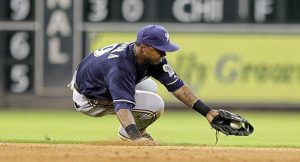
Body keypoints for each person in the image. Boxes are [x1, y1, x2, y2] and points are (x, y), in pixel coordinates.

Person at [69, 25, 219, 145]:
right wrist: (136, 137)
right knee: (155, 104)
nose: (164, 54)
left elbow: (178, 87)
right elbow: (122, 107)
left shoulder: (150, 57)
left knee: (150, 88)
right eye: (160, 49)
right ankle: (129, 134)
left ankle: (132, 132)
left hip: (95, 78)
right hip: (88, 97)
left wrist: (207, 112)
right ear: (144, 47)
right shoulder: (121, 67)